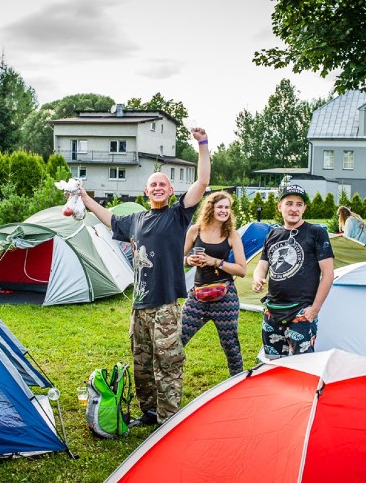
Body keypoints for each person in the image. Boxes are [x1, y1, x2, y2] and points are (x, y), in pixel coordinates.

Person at [78, 127, 211, 427]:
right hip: (139, 307)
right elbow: (109, 217)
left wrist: (202, 144)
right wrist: (85, 198)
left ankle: (169, 419)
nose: (158, 187)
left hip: (165, 305)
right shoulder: (136, 219)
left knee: (168, 363)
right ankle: (150, 412)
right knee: (142, 366)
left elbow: (203, 181)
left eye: (163, 183)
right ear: (146, 191)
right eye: (153, 184)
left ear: (171, 191)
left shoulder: (178, 216)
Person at [253, 185, 335, 358]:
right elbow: (262, 265)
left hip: (301, 311)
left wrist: (314, 309)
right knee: (273, 364)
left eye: (299, 204)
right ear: (279, 206)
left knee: (303, 365)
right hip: (272, 310)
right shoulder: (273, 234)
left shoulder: (316, 233)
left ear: (304, 208)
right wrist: (258, 278)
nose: (294, 209)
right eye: (289, 203)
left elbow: (328, 274)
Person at [181, 191, 247, 376]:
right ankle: (169, 381)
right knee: (177, 340)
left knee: (230, 346)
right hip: (198, 297)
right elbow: (178, 258)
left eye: (227, 207)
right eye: (220, 207)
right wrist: (189, 261)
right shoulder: (195, 230)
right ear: (210, 208)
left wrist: (215, 261)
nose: (224, 211)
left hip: (225, 298)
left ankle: (237, 383)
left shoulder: (231, 235)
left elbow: (242, 270)